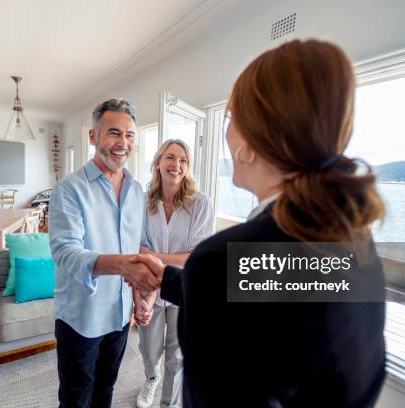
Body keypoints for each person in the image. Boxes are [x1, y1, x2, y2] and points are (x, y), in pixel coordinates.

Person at [127, 39, 387, 407]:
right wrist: (164, 277)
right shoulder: (354, 241)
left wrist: (190, 275)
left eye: (231, 117)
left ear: (248, 143)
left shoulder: (218, 259)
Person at [49, 98, 158, 408]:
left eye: (130, 135)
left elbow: (139, 248)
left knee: (105, 392)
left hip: (120, 316)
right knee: (75, 399)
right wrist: (126, 267)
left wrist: (140, 297)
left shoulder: (137, 191)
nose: (122, 143)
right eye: (114, 133)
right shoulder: (69, 189)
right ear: (93, 137)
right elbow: (66, 253)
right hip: (81, 317)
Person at [135, 139, 214, 408]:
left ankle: (168, 404)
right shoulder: (144, 203)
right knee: (149, 349)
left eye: (183, 160)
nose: (176, 165)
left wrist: (155, 257)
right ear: (157, 163)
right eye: (170, 157)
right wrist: (144, 295)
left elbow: (195, 255)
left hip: (183, 288)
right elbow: (139, 249)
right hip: (151, 286)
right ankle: (151, 378)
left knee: (177, 355)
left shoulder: (200, 204)